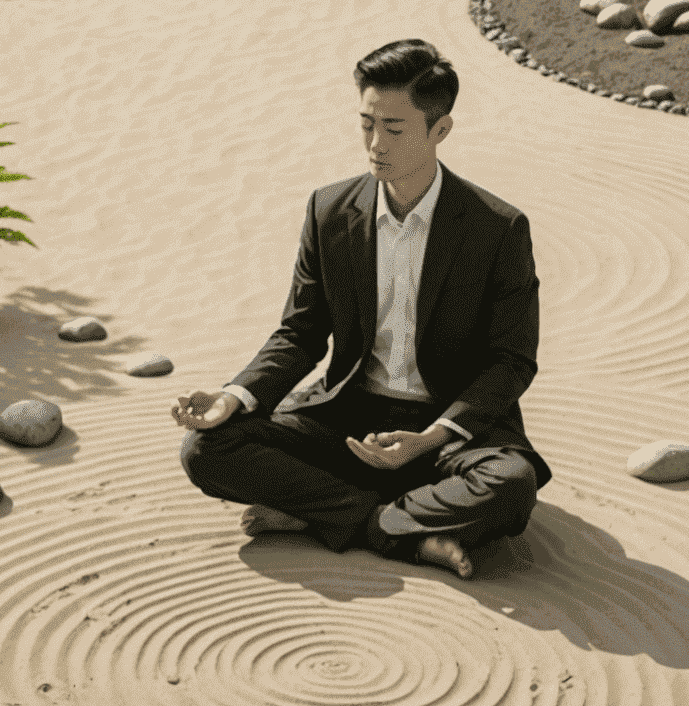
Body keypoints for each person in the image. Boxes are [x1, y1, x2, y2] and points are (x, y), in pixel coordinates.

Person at [174, 38, 551, 580]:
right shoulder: (329, 211)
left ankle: (330, 514)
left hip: (444, 432)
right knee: (207, 449)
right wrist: (235, 395)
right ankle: (401, 528)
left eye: (394, 129)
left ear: (440, 130)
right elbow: (302, 331)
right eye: (366, 124)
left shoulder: (497, 228)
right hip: (347, 419)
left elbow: (511, 361)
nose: (376, 144)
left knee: (511, 486)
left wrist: (432, 438)